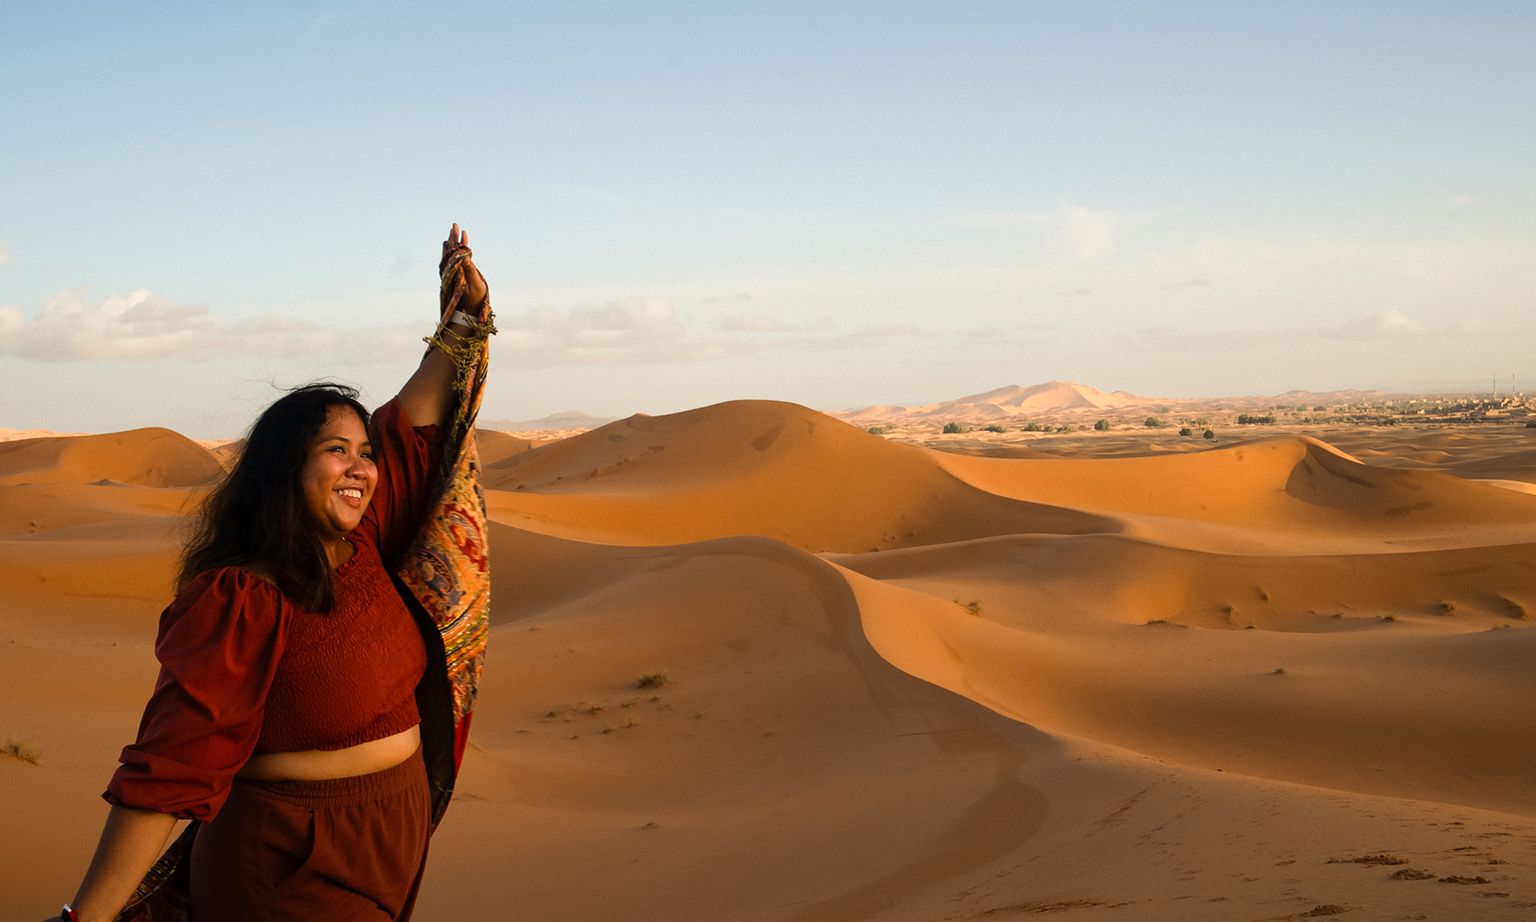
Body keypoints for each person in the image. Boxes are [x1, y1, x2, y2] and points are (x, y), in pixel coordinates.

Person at [56, 225, 492, 922]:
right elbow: (173, 768)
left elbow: (411, 426)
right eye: (335, 450)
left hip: (387, 844)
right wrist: (89, 916)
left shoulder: (366, 545)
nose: (360, 466)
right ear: (286, 469)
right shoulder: (242, 598)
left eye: (363, 452)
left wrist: (463, 319)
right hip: (289, 861)